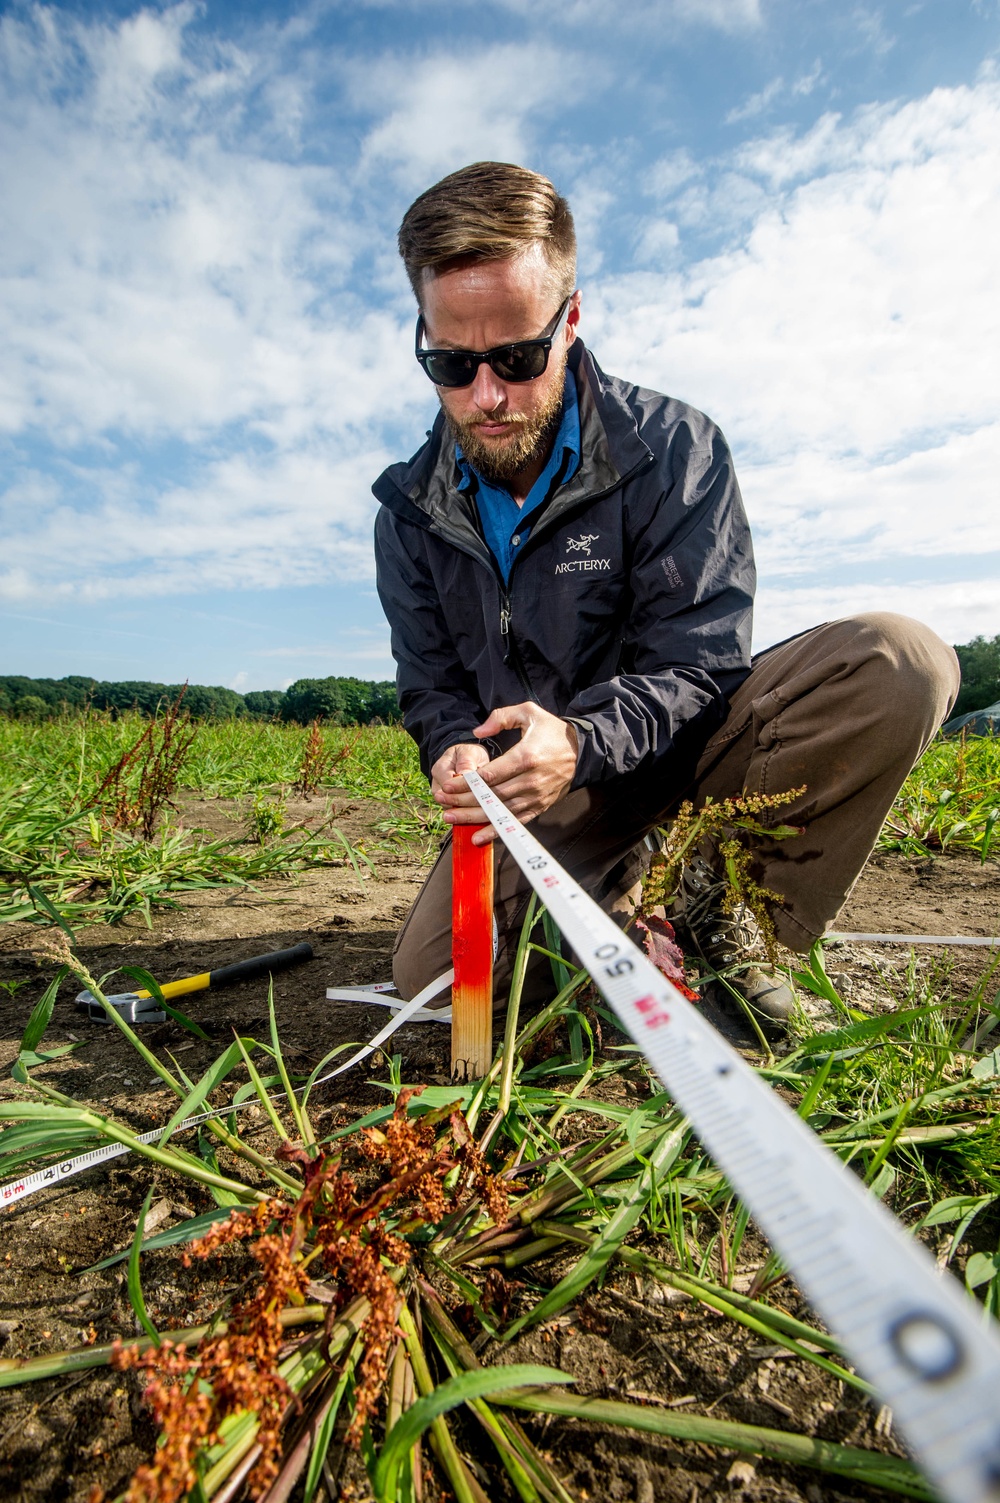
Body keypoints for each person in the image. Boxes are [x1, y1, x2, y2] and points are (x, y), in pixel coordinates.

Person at [373, 161, 959, 1030]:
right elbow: (430, 685)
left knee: (899, 663)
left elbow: (702, 660)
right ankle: (618, 897)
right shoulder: (408, 514)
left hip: (689, 749)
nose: (486, 396)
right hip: (551, 796)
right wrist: (453, 747)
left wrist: (582, 738)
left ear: (570, 322)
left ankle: (727, 918)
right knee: (437, 985)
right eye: (452, 364)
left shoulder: (676, 450)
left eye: (518, 358)